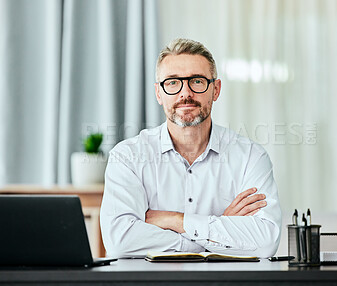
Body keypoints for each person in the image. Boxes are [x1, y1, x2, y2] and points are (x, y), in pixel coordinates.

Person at [100, 38, 281, 258]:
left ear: (215, 89)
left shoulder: (251, 157)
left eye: (196, 81)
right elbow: (120, 242)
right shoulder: (127, 157)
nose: (185, 93)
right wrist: (215, 234)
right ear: (159, 93)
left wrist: (175, 221)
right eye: (173, 82)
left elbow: (265, 242)